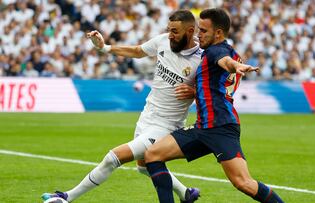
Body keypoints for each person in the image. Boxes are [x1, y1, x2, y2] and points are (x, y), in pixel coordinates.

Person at [42, 10, 202, 203]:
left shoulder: (201, 59)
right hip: (147, 116)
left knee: (113, 158)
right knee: (143, 167)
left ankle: (66, 197)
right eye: (169, 30)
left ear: (190, 31)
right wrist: (104, 47)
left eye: (175, 31)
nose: (170, 35)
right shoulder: (163, 41)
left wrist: (195, 93)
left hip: (167, 126)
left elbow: (214, 91)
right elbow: (137, 51)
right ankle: (186, 193)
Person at [144, 8, 285, 203]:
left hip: (221, 128)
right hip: (203, 127)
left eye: (203, 30)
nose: (198, 34)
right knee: (152, 155)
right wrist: (196, 92)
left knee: (243, 182)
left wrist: (236, 66)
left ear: (218, 33)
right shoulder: (214, 52)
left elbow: (225, 61)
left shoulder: (216, 51)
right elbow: (219, 83)